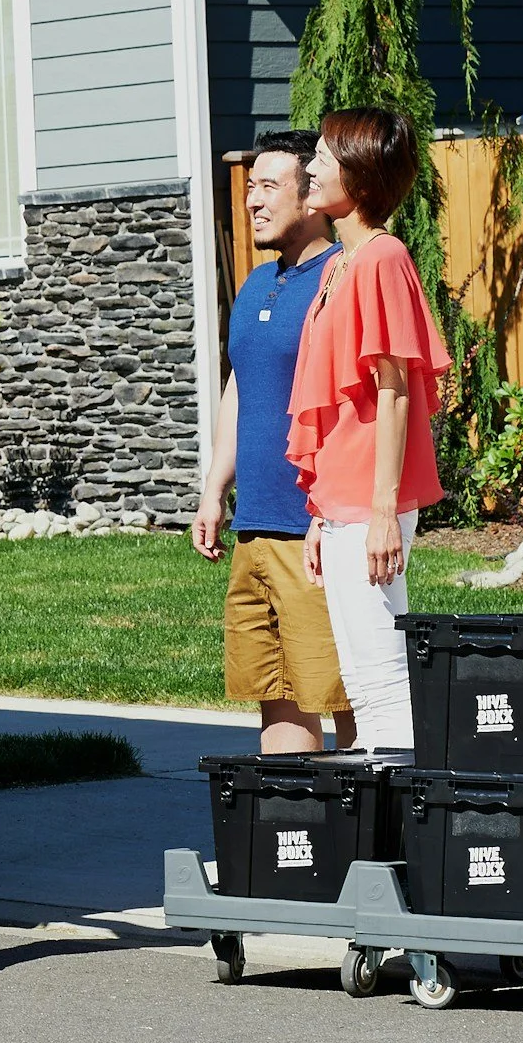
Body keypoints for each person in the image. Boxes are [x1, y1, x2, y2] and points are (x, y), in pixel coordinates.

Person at [288, 107, 451, 755]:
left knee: (382, 672)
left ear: (356, 178)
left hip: (374, 500)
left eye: (324, 158)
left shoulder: (383, 257)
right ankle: (374, 827)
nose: (310, 167)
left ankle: (400, 827)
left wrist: (384, 511)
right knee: (358, 674)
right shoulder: (337, 267)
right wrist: (320, 513)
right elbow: (336, 402)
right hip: (344, 500)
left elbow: (394, 387)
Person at [193, 130, 352, 752]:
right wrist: (215, 486)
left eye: (269, 187)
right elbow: (242, 385)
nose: (253, 201)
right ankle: (299, 833)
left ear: (311, 195)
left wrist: (327, 511)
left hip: (315, 530)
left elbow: (356, 406)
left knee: (344, 693)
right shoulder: (259, 283)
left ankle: (367, 836)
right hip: (255, 526)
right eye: (250, 187)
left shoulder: (340, 279)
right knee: (277, 690)